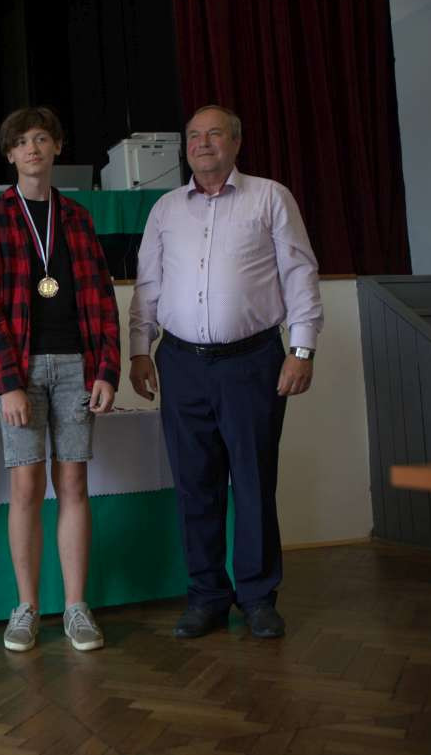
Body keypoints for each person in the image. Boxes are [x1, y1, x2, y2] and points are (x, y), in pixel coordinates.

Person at [128, 105, 323, 639]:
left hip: (253, 362)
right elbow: (148, 285)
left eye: (214, 134)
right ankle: (207, 597)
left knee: (254, 481)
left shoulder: (270, 197)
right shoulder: (166, 209)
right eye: (193, 135)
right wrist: (139, 350)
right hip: (180, 363)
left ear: (236, 142)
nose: (202, 143)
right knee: (195, 485)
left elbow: (299, 273)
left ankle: (258, 597)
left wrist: (302, 349)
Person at [0, 107, 121, 653]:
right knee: (26, 487)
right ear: (10, 154)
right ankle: (27, 607)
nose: (32, 148)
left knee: (74, 483)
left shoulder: (77, 217)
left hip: (77, 364)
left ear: (57, 147)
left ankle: (76, 607)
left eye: (41, 139)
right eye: (21, 142)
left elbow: (102, 297)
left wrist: (107, 370)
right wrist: (8, 382)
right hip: (21, 369)